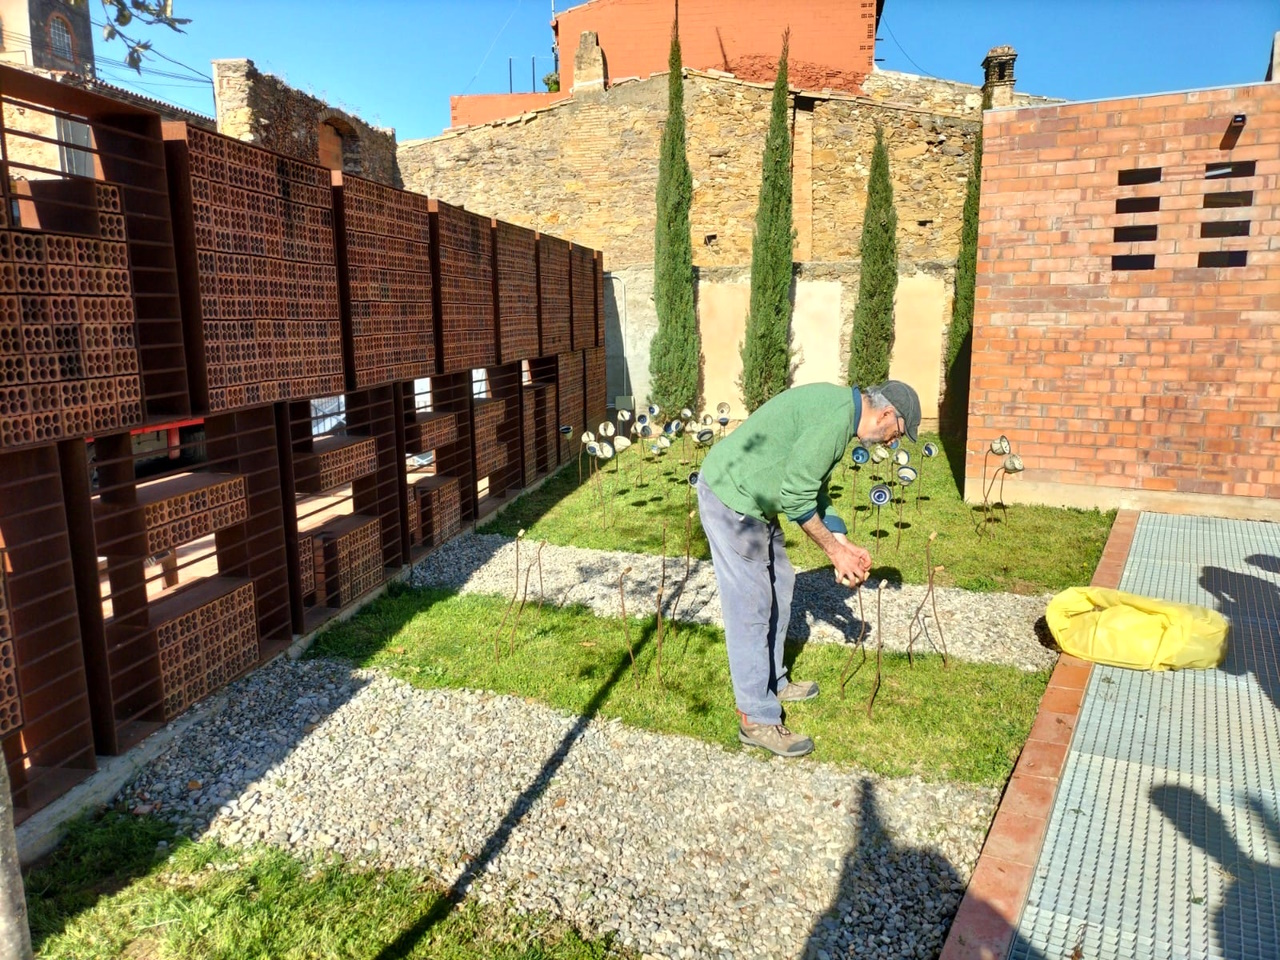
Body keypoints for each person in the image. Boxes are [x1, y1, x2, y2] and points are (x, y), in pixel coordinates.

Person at [695, 381, 921, 757]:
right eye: (897, 432)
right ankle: (757, 718)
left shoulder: (841, 413)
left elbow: (812, 486)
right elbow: (797, 496)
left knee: (781, 584)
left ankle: (774, 680)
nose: (892, 442)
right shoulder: (836, 418)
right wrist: (835, 554)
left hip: (755, 499)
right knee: (751, 606)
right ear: (885, 414)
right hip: (730, 496)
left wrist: (843, 540)